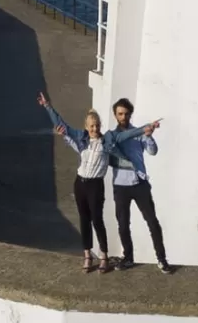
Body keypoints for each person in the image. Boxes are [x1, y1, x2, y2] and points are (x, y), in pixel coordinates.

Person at [37, 93, 145, 274]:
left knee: (97, 220)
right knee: (84, 220)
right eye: (91, 126)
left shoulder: (107, 140)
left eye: (97, 126)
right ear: (86, 127)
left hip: (96, 185)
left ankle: (103, 256)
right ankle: (87, 255)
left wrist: (145, 129)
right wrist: (47, 106)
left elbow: (127, 134)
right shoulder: (82, 138)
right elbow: (61, 124)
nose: (94, 129)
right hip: (80, 183)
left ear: (100, 126)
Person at [108, 98, 172, 273]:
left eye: (126, 113)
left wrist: (149, 136)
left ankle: (161, 258)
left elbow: (152, 151)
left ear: (130, 114)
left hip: (139, 183)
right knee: (122, 224)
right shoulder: (112, 136)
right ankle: (128, 258)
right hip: (120, 184)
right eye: (120, 113)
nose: (123, 116)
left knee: (152, 221)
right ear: (115, 115)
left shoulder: (139, 133)